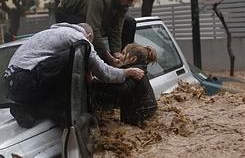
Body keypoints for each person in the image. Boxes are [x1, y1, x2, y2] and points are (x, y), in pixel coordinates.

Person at [4, 23, 144, 128]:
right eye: (91, 41)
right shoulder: (78, 39)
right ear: (89, 36)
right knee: (75, 55)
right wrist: (126, 72)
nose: (89, 44)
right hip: (24, 79)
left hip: (13, 86)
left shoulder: (52, 33)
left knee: (64, 114)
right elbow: (103, 72)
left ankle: (28, 108)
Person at [55, 0, 141, 65]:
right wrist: (107, 56)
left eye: (132, 0)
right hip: (68, 13)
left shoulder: (123, 3)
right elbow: (94, 28)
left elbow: (116, 29)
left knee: (129, 22)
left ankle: (123, 61)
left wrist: (116, 52)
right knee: (89, 32)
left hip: (89, 12)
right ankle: (97, 64)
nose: (130, 4)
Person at [92, 43, 158, 126]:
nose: (119, 56)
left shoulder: (136, 73)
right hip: (144, 112)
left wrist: (95, 83)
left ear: (133, 59)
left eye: (123, 53)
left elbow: (121, 89)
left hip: (141, 114)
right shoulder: (135, 68)